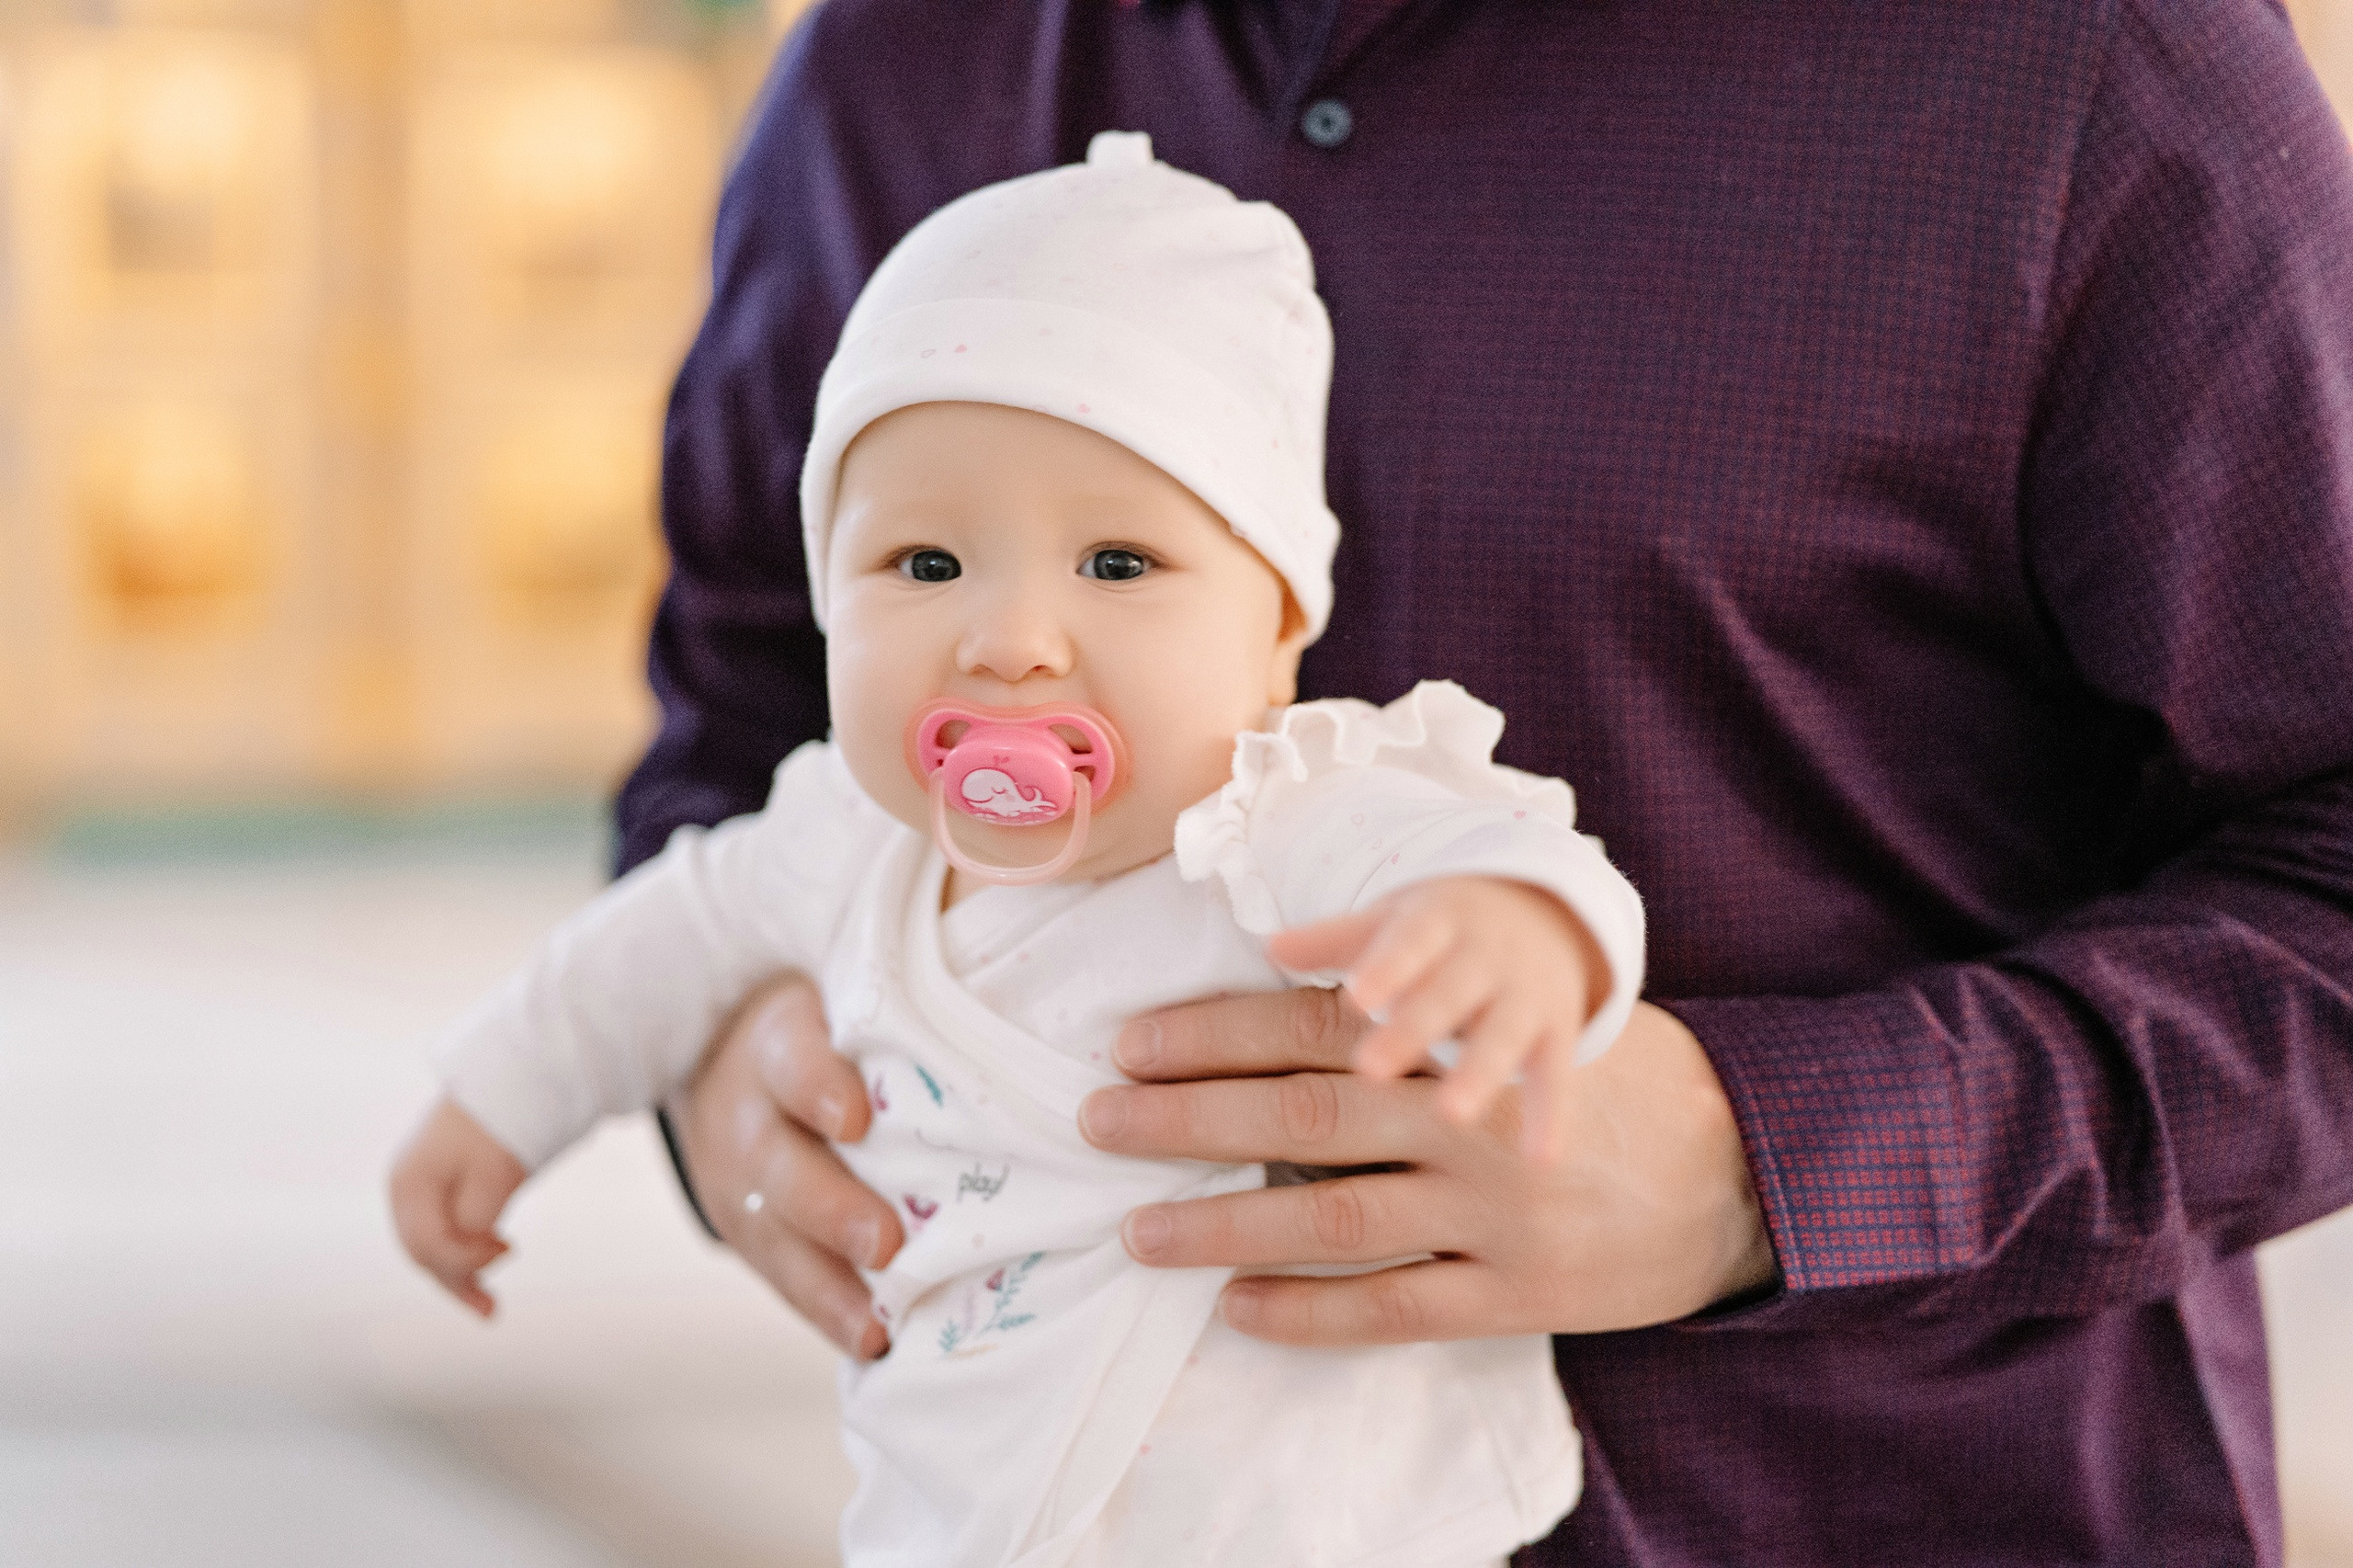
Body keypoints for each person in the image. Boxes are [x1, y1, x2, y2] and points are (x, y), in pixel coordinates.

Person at [633, 3, 2353, 1563]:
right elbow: (733, 722)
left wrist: (1770, 1165)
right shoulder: (898, 63)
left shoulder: (2089, 59)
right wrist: (722, 1071)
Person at [392, 135, 1654, 1566]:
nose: (1008, 641)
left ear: (1281, 627)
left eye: (1117, 564)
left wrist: (1516, 931)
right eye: (924, 565)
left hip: (1304, 1520)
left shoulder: (1281, 817)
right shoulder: (839, 842)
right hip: (957, 1507)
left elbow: (1499, 849)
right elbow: (645, 951)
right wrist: (493, 1101)